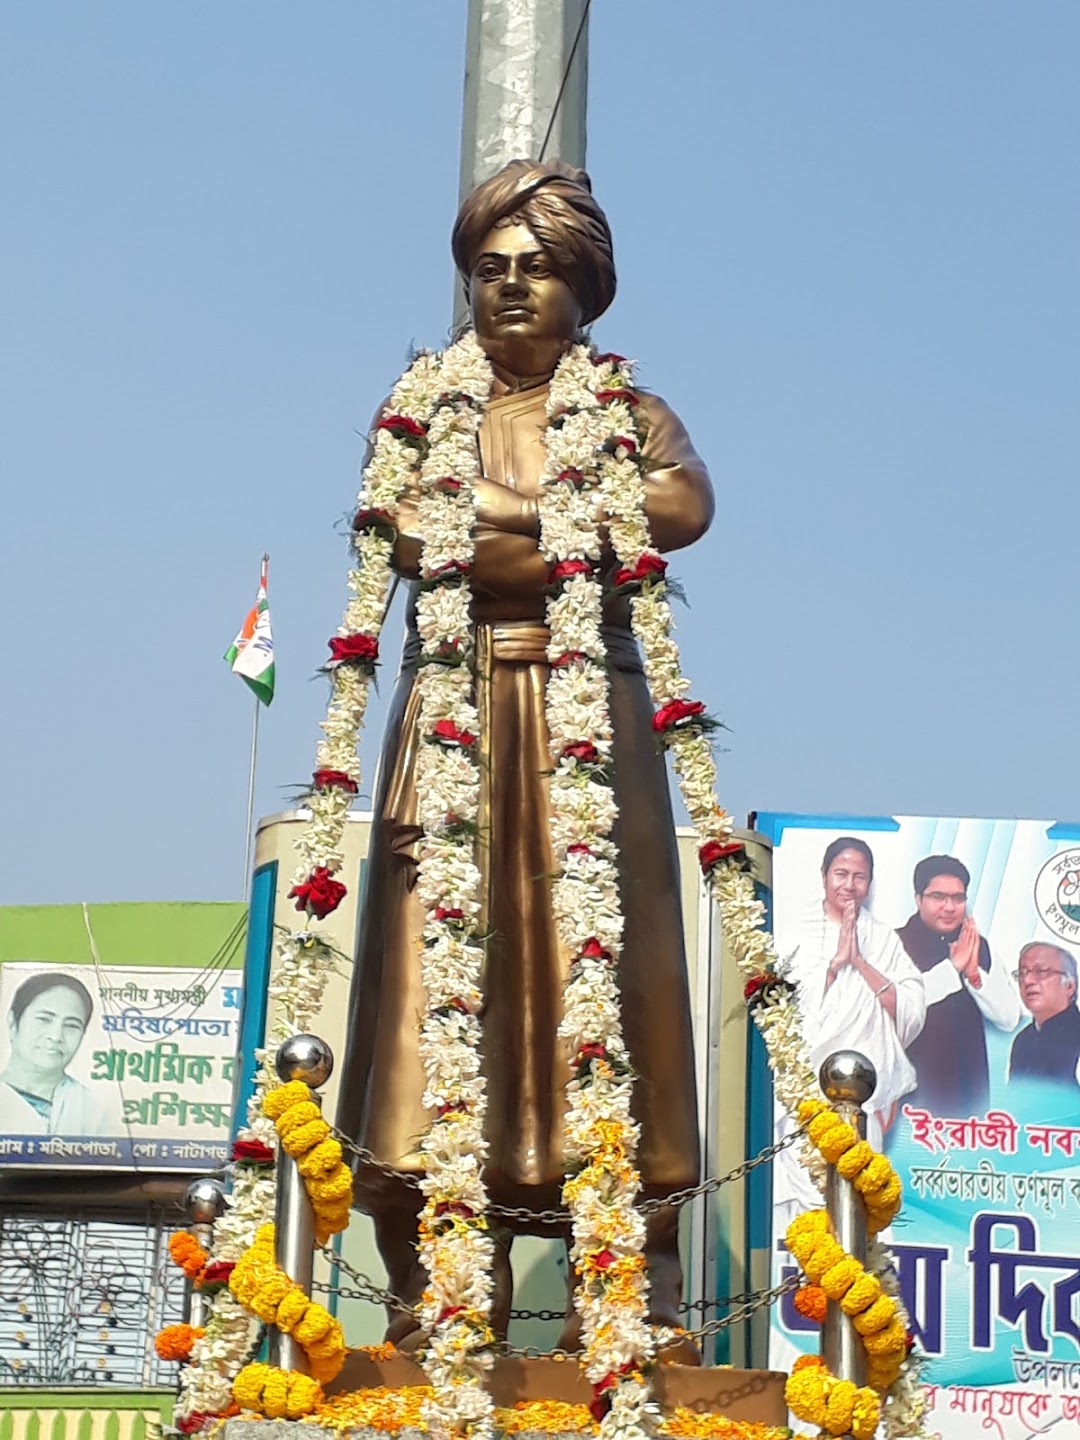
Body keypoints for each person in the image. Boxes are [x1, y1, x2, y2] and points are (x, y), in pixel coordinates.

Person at [336, 160, 713, 1352]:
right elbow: (400, 534)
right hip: (452, 710)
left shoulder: (628, 410)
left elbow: (682, 511)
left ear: (583, 288)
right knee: (432, 983)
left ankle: (635, 1287)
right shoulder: (425, 405)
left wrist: (495, 523)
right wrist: (566, 527)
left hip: (592, 726)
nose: (509, 290)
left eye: (535, 270)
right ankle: (443, 1285)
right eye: (488, 270)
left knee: (613, 972)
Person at [777, 838, 927, 1153]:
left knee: (857, 1180)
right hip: (803, 1093)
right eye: (841, 874)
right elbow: (781, 1011)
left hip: (862, 1095)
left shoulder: (883, 938)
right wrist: (833, 967)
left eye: (859, 877)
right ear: (824, 876)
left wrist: (859, 962)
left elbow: (910, 1012)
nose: (849, 885)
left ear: (870, 884)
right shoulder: (796, 933)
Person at [896, 855, 1019, 1115]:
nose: (949, 907)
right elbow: (896, 1007)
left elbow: (1009, 1018)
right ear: (918, 899)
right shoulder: (894, 944)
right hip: (912, 1097)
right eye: (938, 897)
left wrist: (974, 975)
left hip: (970, 1096)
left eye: (958, 898)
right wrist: (952, 969)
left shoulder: (977, 944)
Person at [0, 971, 107, 1136]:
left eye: (71, 1025)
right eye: (44, 1019)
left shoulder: (94, 1111)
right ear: (13, 1022)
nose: (56, 1036)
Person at [1008, 942, 1080, 1087]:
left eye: (1041, 972)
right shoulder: (1022, 1040)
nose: (1027, 981)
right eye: (1022, 974)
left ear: (1070, 985)